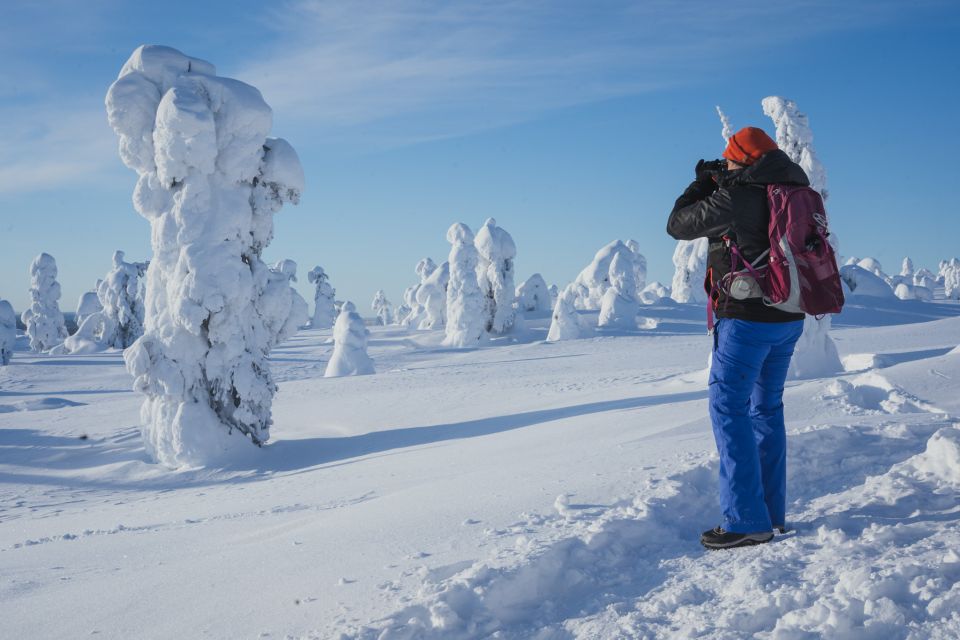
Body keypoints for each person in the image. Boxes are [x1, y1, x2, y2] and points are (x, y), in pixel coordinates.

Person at [666, 126, 808, 550]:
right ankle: (770, 514)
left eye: (729, 160)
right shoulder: (795, 192)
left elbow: (677, 224)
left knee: (729, 408)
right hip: (789, 318)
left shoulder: (735, 198)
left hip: (746, 321)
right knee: (766, 408)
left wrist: (702, 182)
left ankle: (747, 520)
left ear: (743, 160)